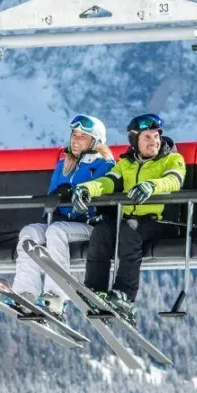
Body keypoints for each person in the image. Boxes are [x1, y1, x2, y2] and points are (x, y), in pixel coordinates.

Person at [81, 113, 185, 318]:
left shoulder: (172, 158)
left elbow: (174, 180)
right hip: (129, 220)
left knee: (129, 230)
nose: (154, 141)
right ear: (134, 140)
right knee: (101, 232)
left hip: (161, 222)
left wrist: (151, 185)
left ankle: (124, 296)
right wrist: (86, 189)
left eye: (156, 136)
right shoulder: (126, 163)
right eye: (147, 137)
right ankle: (95, 289)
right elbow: (108, 182)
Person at [8, 113, 113, 309]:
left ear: (94, 141)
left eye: (82, 136)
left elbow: (104, 194)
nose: (75, 140)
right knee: (29, 232)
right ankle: (25, 292)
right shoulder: (63, 165)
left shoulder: (105, 166)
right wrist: (56, 197)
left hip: (90, 227)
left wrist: (78, 195)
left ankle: (55, 297)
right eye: (74, 134)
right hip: (58, 223)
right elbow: (50, 199)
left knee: (56, 232)